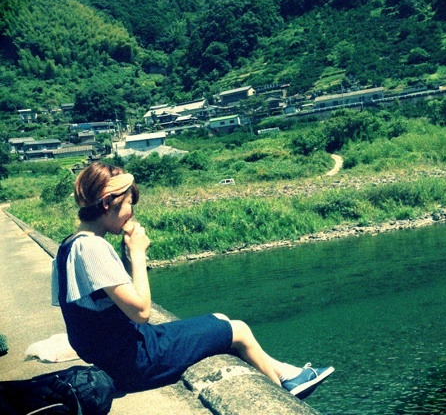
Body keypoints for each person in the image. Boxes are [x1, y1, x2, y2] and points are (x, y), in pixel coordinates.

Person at [52, 162, 334, 399]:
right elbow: (141, 312)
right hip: (134, 360)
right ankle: (283, 393)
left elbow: (112, 298)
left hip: (116, 355)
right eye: (128, 205)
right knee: (238, 329)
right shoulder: (93, 248)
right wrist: (138, 254)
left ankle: (287, 375)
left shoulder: (68, 246)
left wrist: (127, 254)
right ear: (107, 203)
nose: (132, 213)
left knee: (219, 318)